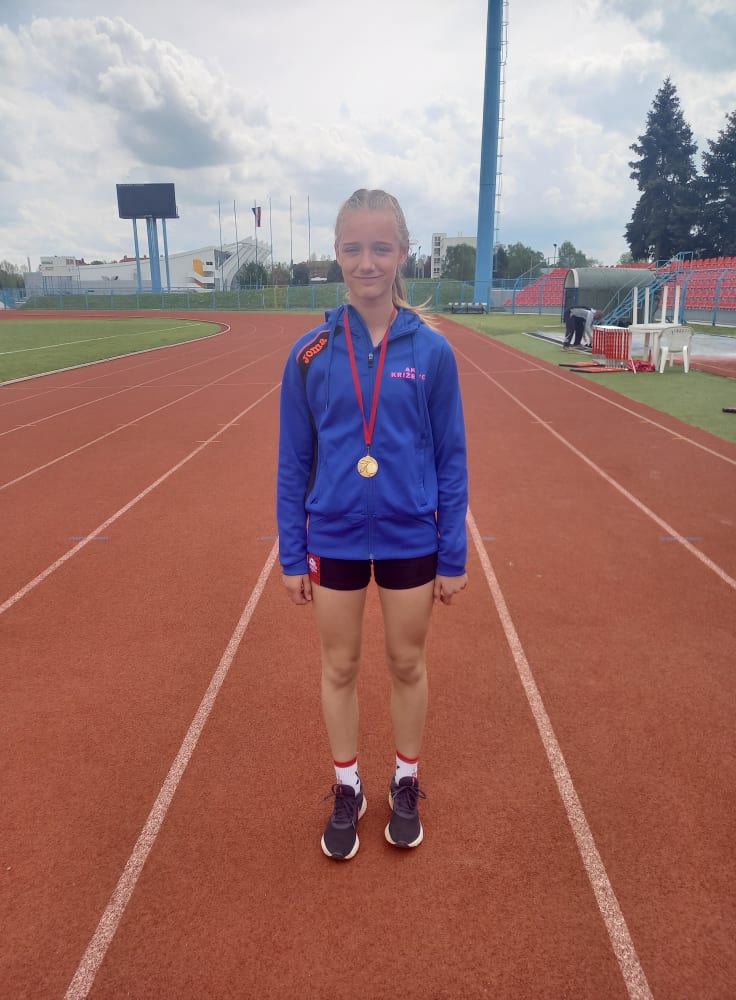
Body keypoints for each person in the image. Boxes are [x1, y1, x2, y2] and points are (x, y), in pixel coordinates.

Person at [277, 188, 469, 861]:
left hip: (410, 534)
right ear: (336, 254)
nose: (367, 262)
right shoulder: (310, 354)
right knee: (340, 665)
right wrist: (293, 554)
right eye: (354, 248)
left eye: (380, 248)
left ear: (402, 253)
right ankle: (347, 786)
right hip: (332, 534)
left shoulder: (433, 352)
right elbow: (293, 461)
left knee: (406, 661)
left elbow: (451, 458)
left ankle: (406, 779)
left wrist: (452, 554)